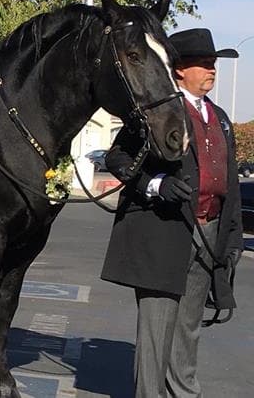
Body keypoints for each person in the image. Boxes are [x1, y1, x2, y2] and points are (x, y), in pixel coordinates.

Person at [101, 27, 243, 397]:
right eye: (204, 64)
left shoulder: (220, 117)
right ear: (180, 70)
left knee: (188, 330)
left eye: (214, 64)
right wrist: (155, 184)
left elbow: (228, 183)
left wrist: (231, 241)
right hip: (164, 235)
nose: (212, 70)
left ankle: (184, 393)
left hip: (207, 233)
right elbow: (117, 158)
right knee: (156, 333)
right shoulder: (156, 110)